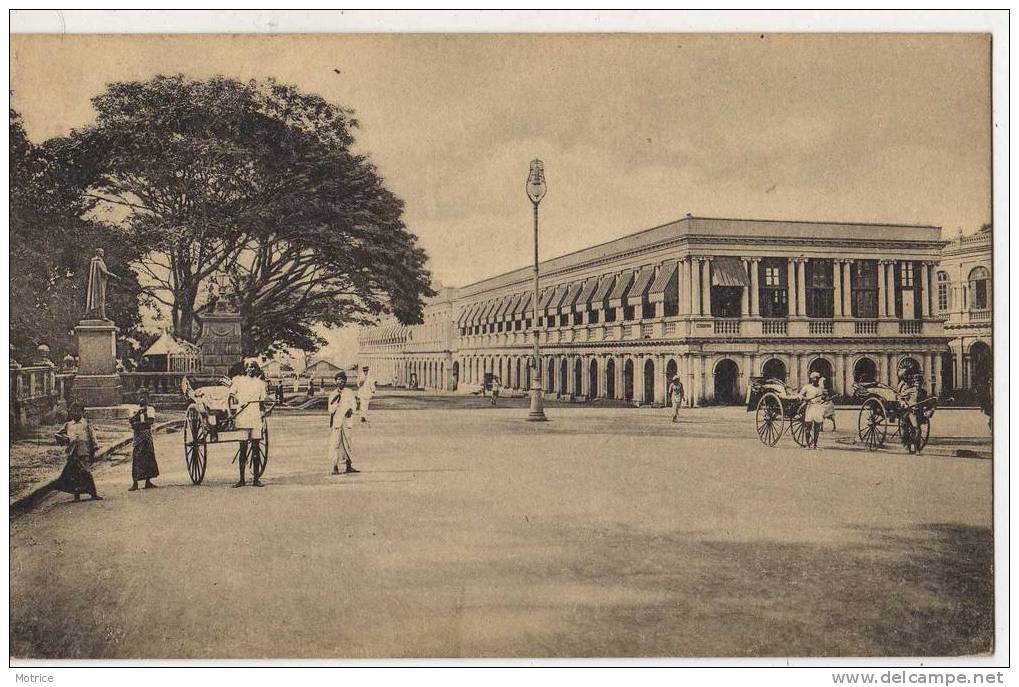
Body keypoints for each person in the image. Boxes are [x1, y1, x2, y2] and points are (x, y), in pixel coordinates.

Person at [229, 360, 268, 487]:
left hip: (255, 416)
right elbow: (231, 396)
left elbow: (262, 402)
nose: (251, 369)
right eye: (248, 367)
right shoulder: (239, 381)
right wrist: (232, 410)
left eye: (253, 367)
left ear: (256, 369)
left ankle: (256, 479)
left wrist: (263, 413)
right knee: (243, 448)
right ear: (245, 369)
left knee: (256, 448)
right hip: (243, 416)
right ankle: (241, 479)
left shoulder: (260, 383)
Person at [54, 404, 103, 502]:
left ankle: (93, 494)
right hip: (72, 452)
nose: (75, 413)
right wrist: (65, 439)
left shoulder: (86, 424)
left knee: (86, 472)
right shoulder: (68, 424)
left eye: (77, 411)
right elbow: (58, 433)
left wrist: (94, 447)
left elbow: (92, 436)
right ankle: (76, 496)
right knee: (74, 474)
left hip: (83, 451)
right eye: (73, 411)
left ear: (82, 412)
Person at [327, 371, 359, 475]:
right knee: (336, 444)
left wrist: (351, 410)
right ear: (335, 381)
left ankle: (348, 466)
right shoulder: (333, 394)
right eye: (339, 380)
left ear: (345, 381)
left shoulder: (349, 392)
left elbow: (354, 404)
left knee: (348, 444)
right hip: (337, 422)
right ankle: (335, 467)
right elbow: (330, 410)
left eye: (343, 380)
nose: (341, 382)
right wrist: (336, 401)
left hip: (347, 422)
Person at [128, 388, 159, 491]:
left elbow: (150, 421)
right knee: (136, 458)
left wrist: (138, 422)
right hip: (137, 437)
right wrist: (139, 415)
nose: (142, 399)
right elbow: (131, 421)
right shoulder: (133, 409)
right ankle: (135, 482)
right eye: (140, 397)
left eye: (144, 397)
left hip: (146, 435)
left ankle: (148, 481)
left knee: (148, 457)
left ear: (148, 398)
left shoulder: (150, 409)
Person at [896, 364, 926, 455]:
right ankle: (910, 448)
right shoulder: (905, 387)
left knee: (916, 429)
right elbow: (900, 398)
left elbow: (924, 401)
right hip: (909, 411)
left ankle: (917, 448)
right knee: (912, 429)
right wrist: (904, 404)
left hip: (917, 410)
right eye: (906, 376)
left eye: (919, 382)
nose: (918, 384)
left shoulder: (920, 390)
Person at [798, 371, 827, 449]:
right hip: (810, 407)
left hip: (818, 408)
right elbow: (800, 395)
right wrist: (806, 398)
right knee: (808, 427)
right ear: (812, 379)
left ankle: (815, 445)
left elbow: (824, 397)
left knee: (817, 427)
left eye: (817, 379)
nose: (816, 380)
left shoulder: (821, 388)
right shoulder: (807, 387)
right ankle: (808, 444)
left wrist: (824, 398)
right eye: (815, 379)